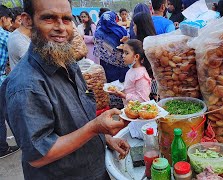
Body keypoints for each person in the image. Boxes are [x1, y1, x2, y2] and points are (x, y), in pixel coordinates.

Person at [0, 0, 130, 179]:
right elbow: (39, 155)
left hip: (95, 168)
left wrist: (106, 139)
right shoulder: (24, 85)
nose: (61, 27)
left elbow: (79, 115)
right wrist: (95, 127)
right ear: (27, 20)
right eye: (49, 18)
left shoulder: (68, 63)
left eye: (67, 19)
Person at [109, 39, 152, 139]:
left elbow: (142, 100)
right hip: (131, 113)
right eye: (123, 52)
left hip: (140, 118)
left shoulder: (141, 75)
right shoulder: (132, 70)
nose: (123, 56)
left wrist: (123, 95)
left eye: (126, 53)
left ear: (136, 56)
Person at [94, 11, 129, 109]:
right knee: (122, 85)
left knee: (110, 85)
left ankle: (113, 105)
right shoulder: (120, 30)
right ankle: (123, 104)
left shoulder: (98, 31)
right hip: (121, 64)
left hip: (106, 64)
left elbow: (98, 48)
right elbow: (126, 46)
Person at [0, 4, 19, 159]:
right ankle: (2, 147)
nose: (11, 23)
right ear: (3, 19)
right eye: (9, 19)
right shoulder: (6, 36)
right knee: (5, 114)